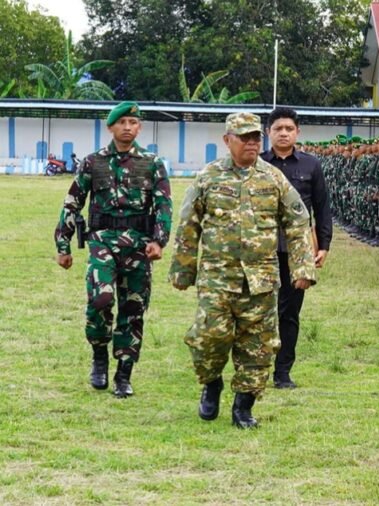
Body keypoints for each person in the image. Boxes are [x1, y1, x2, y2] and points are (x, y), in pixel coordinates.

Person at [169, 112, 316, 429]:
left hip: (260, 281)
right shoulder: (208, 177)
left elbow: (298, 222)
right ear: (227, 140)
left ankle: (243, 406)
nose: (251, 143)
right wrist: (183, 270)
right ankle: (211, 383)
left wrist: (302, 267)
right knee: (209, 338)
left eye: (255, 138)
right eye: (244, 137)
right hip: (217, 279)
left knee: (258, 347)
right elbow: (188, 224)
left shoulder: (273, 178)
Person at [54, 101, 173, 398]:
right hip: (102, 242)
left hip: (138, 246)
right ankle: (99, 356)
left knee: (133, 309)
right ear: (111, 127)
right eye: (122, 123)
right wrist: (63, 245)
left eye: (133, 123)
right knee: (101, 299)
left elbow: (163, 205)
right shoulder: (93, 162)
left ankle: (123, 374)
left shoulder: (152, 163)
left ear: (139, 128)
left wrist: (159, 240)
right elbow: (72, 203)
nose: (127, 127)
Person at [261, 107, 333, 389]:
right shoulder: (258, 163)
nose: (284, 133)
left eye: (289, 129)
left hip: (297, 250)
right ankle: (258, 367)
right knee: (260, 311)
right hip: (263, 248)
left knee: (289, 312)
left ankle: (283, 372)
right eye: (278, 128)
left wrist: (324, 245)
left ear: (297, 132)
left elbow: (322, 207)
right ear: (268, 132)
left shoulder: (311, 165)